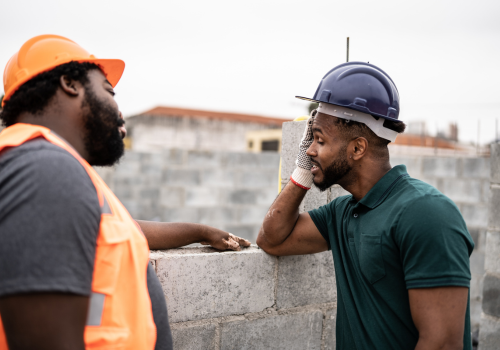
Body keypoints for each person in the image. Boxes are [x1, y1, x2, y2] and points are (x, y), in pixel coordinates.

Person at [0, 34, 250, 350]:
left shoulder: (45, 168)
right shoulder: (45, 169)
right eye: (109, 91)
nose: (120, 112)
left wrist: (199, 231)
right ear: (70, 83)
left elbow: (115, 230)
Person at [257, 62, 474, 350]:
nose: (309, 149)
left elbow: (443, 343)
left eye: (319, 140)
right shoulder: (342, 213)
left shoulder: (425, 212)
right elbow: (272, 239)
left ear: (357, 148)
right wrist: (302, 170)